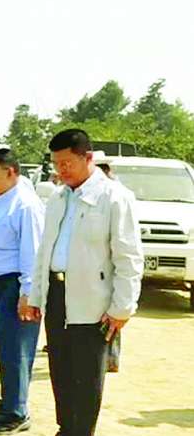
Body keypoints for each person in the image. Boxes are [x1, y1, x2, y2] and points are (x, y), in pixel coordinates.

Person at [25, 129, 142, 436]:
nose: (61, 170)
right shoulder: (58, 198)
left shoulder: (114, 197)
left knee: (87, 375)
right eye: (56, 164)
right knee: (60, 369)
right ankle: (64, 433)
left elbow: (128, 257)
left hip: (94, 299)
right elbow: (44, 252)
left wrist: (122, 308)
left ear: (88, 158)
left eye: (67, 163)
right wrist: (35, 295)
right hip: (58, 293)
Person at [0, 147, 46, 435]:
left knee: (17, 349)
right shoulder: (0, 202)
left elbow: (32, 252)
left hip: (15, 285)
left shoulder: (25, 205)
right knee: (4, 348)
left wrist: (28, 293)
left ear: (11, 172)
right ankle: (7, 405)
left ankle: (17, 411)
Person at [93, 150, 123, 373]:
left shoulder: (116, 194)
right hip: (97, 267)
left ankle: (111, 357)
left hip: (111, 266)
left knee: (113, 314)